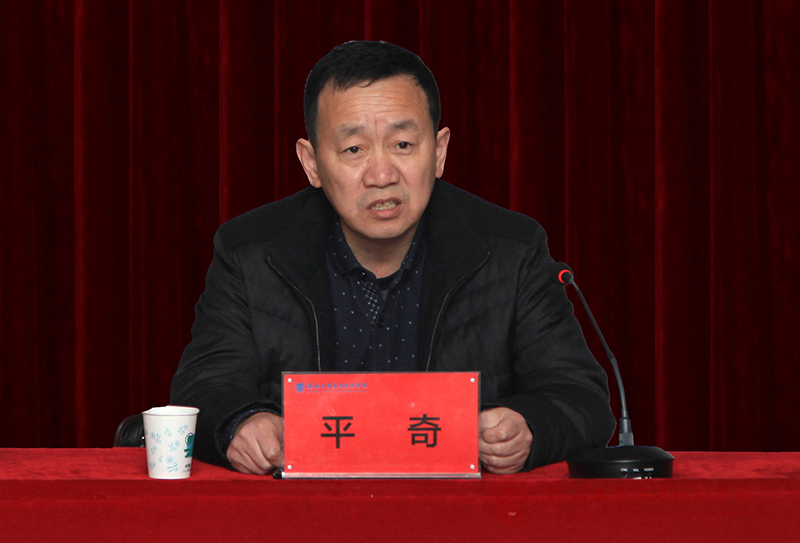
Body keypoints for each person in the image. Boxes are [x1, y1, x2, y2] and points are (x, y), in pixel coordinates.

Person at [171, 41, 615, 475]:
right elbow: (204, 388)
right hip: (302, 508)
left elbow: (580, 397)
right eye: (354, 149)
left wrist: (529, 427)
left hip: (460, 511)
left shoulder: (511, 250)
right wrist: (240, 423)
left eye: (402, 144)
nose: (381, 175)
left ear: (438, 152)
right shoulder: (250, 252)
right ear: (312, 163)